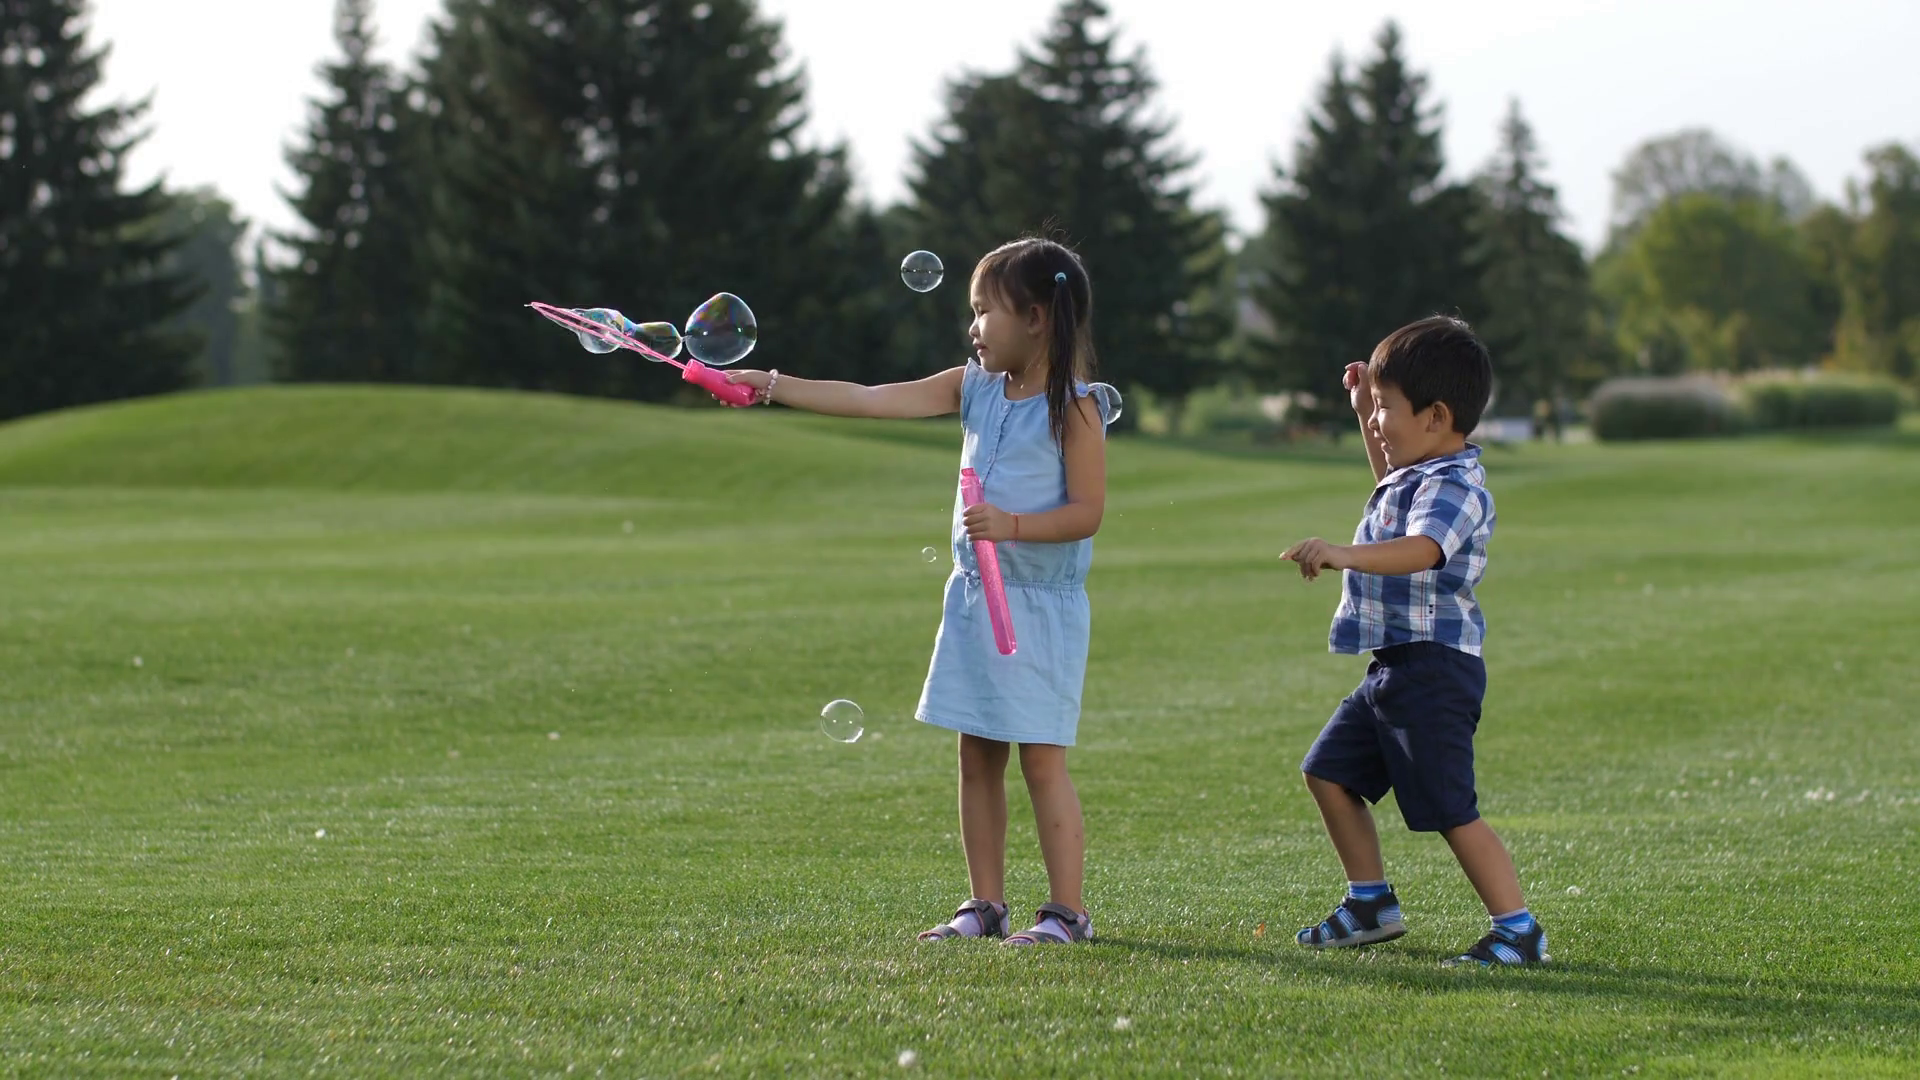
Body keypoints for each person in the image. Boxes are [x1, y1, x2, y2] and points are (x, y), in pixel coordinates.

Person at [725, 237, 1115, 946]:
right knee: (975, 754)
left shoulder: (1076, 411)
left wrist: (1013, 524)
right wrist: (774, 385)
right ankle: (985, 905)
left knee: (1041, 759)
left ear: (1034, 316)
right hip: (974, 597)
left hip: (1038, 607)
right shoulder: (972, 386)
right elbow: (874, 398)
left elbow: (1088, 512)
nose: (972, 327)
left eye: (983, 311)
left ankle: (1066, 913)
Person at [1279, 316, 1548, 967]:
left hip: (1434, 672)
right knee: (1329, 772)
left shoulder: (1456, 488)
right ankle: (1370, 903)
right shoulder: (1417, 472)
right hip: (1392, 670)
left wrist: (1345, 553)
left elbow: (1423, 549)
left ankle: (1518, 929)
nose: (1376, 421)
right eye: (1372, 407)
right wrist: (1359, 410)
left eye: (1384, 408)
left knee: (1449, 808)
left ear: (1435, 416)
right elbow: (1388, 479)